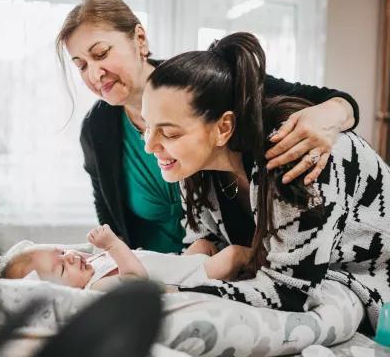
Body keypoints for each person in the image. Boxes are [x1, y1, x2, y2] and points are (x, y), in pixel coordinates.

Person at [56, 0, 359, 254]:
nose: (94, 75)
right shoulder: (97, 130)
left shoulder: (200, 83)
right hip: (163, 274)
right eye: (81, 65)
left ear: (140, 38)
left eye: (101, 53)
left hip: (234, 265)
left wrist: (328, 117)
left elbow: (336, 101)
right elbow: (112, 223)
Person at [141, 32, 390, 331]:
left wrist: (174, 293)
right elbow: (202, 244)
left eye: (169, 134)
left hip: (366, 285)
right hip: (310, 280)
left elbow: (290, 294)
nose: (149, 145)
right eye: (147, 127)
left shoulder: (293, 158)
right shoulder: (195, 166)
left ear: (223, 128)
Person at [0, 224, 251, 291]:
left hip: (181, 262)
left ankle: (238, 276)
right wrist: (113, 245)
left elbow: (128, 262)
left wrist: (134, 253)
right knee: (233, 254)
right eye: (63, 270)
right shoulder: (95, 287)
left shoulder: (90, 266)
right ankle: (271, 268)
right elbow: (135, 280)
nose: (71, 258)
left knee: (203, 243)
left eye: (63, 253)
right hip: (192, 277)